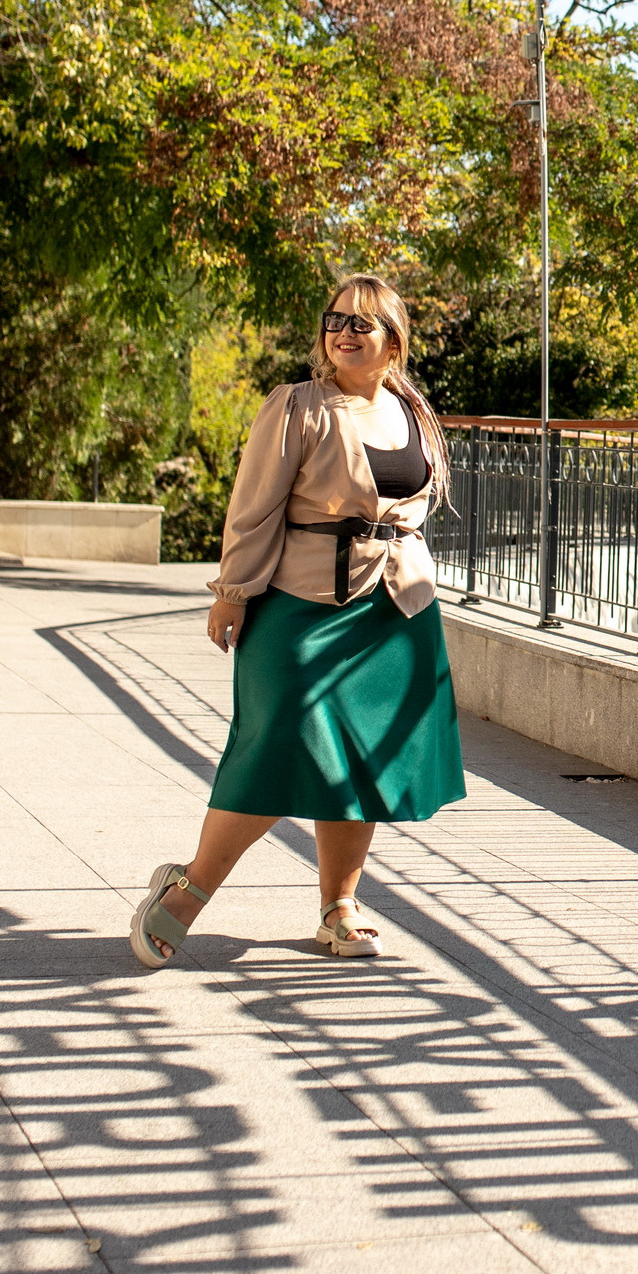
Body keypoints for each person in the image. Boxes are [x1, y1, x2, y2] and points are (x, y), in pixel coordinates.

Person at [129, 273, 465, 967]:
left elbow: (416, 506)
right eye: (334, 320)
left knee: (361, 764)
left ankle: (339, 908)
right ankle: (190, 887)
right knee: (277, 751)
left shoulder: (414, 411)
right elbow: (253, 509)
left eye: (361, 324)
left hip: (393, 612)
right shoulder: (298, 407)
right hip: (302, 608)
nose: (343, 332)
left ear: (393, 341)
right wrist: (232, 591)